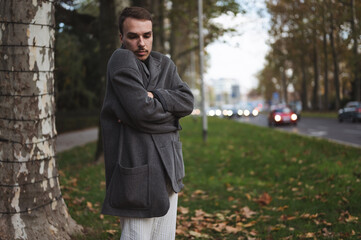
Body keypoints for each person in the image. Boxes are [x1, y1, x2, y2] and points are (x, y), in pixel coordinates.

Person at [100, 6, 194, 240]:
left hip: (168, 169)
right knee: (136, 236)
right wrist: (172, 119)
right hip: (137, 169)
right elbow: (142, 112)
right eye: (133, 36)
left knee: (164, 237)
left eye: (147, 35)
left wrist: (157, 96)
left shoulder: (165, 63)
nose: (141, 43)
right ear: (122, 37)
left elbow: (188, 101)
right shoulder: (121, 60)